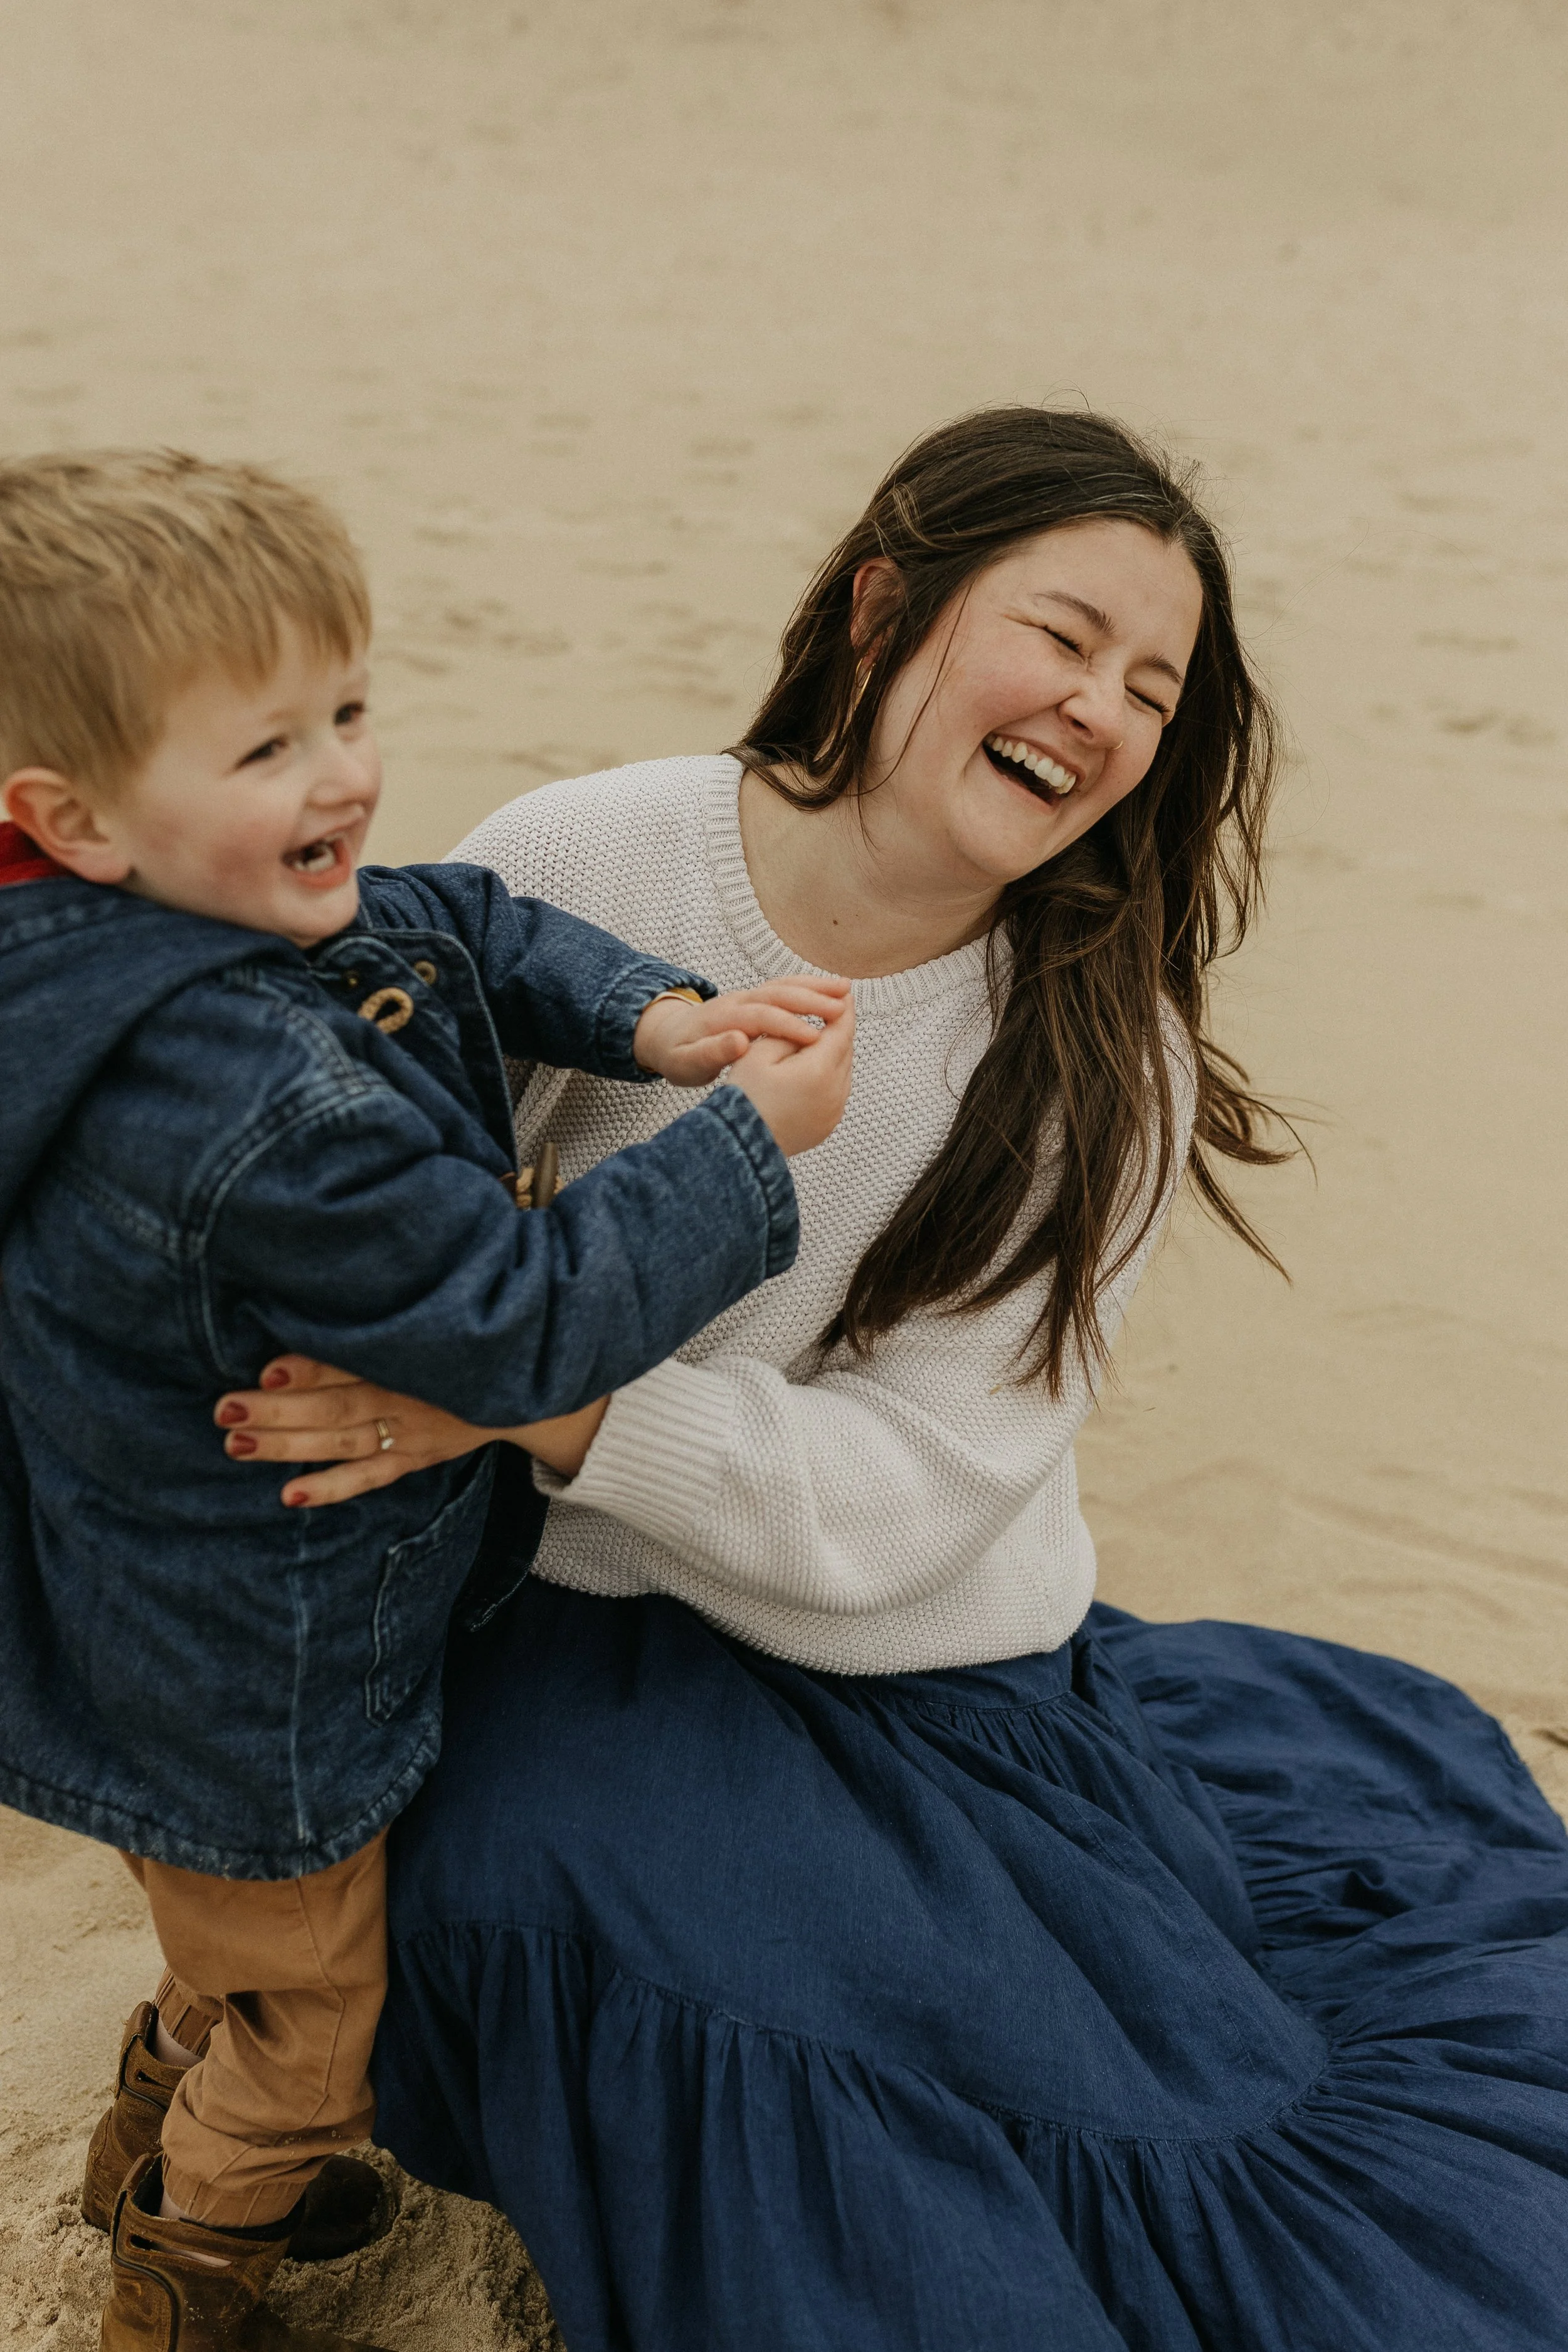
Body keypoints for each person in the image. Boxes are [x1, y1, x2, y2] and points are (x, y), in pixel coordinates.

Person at [215, 409, 1568, 2351]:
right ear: (883, 606)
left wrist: (530, 1397)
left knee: (970, 2117)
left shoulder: (1096, 1054)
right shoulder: (584, 855)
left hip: (908, 1667)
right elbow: (358, 1189)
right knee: (507, 1902)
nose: (1097, 710)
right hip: (546, 1608)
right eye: (1062, 634)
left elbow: (924, 1486)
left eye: (1150, 690)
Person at [0, 451, 854, 2352]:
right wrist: (742, 1138)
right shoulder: (235, 1101)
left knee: (235, 1947)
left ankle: (149, 2130)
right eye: (265, 750)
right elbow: (514, 1320)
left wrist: (651, 1015)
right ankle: (185, 2279)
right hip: (256, 1665)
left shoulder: (191, 917)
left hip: (157, 1619)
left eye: (349, 712)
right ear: (69, 816)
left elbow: (454, 918)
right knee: (314, 2030)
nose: (339, 778)